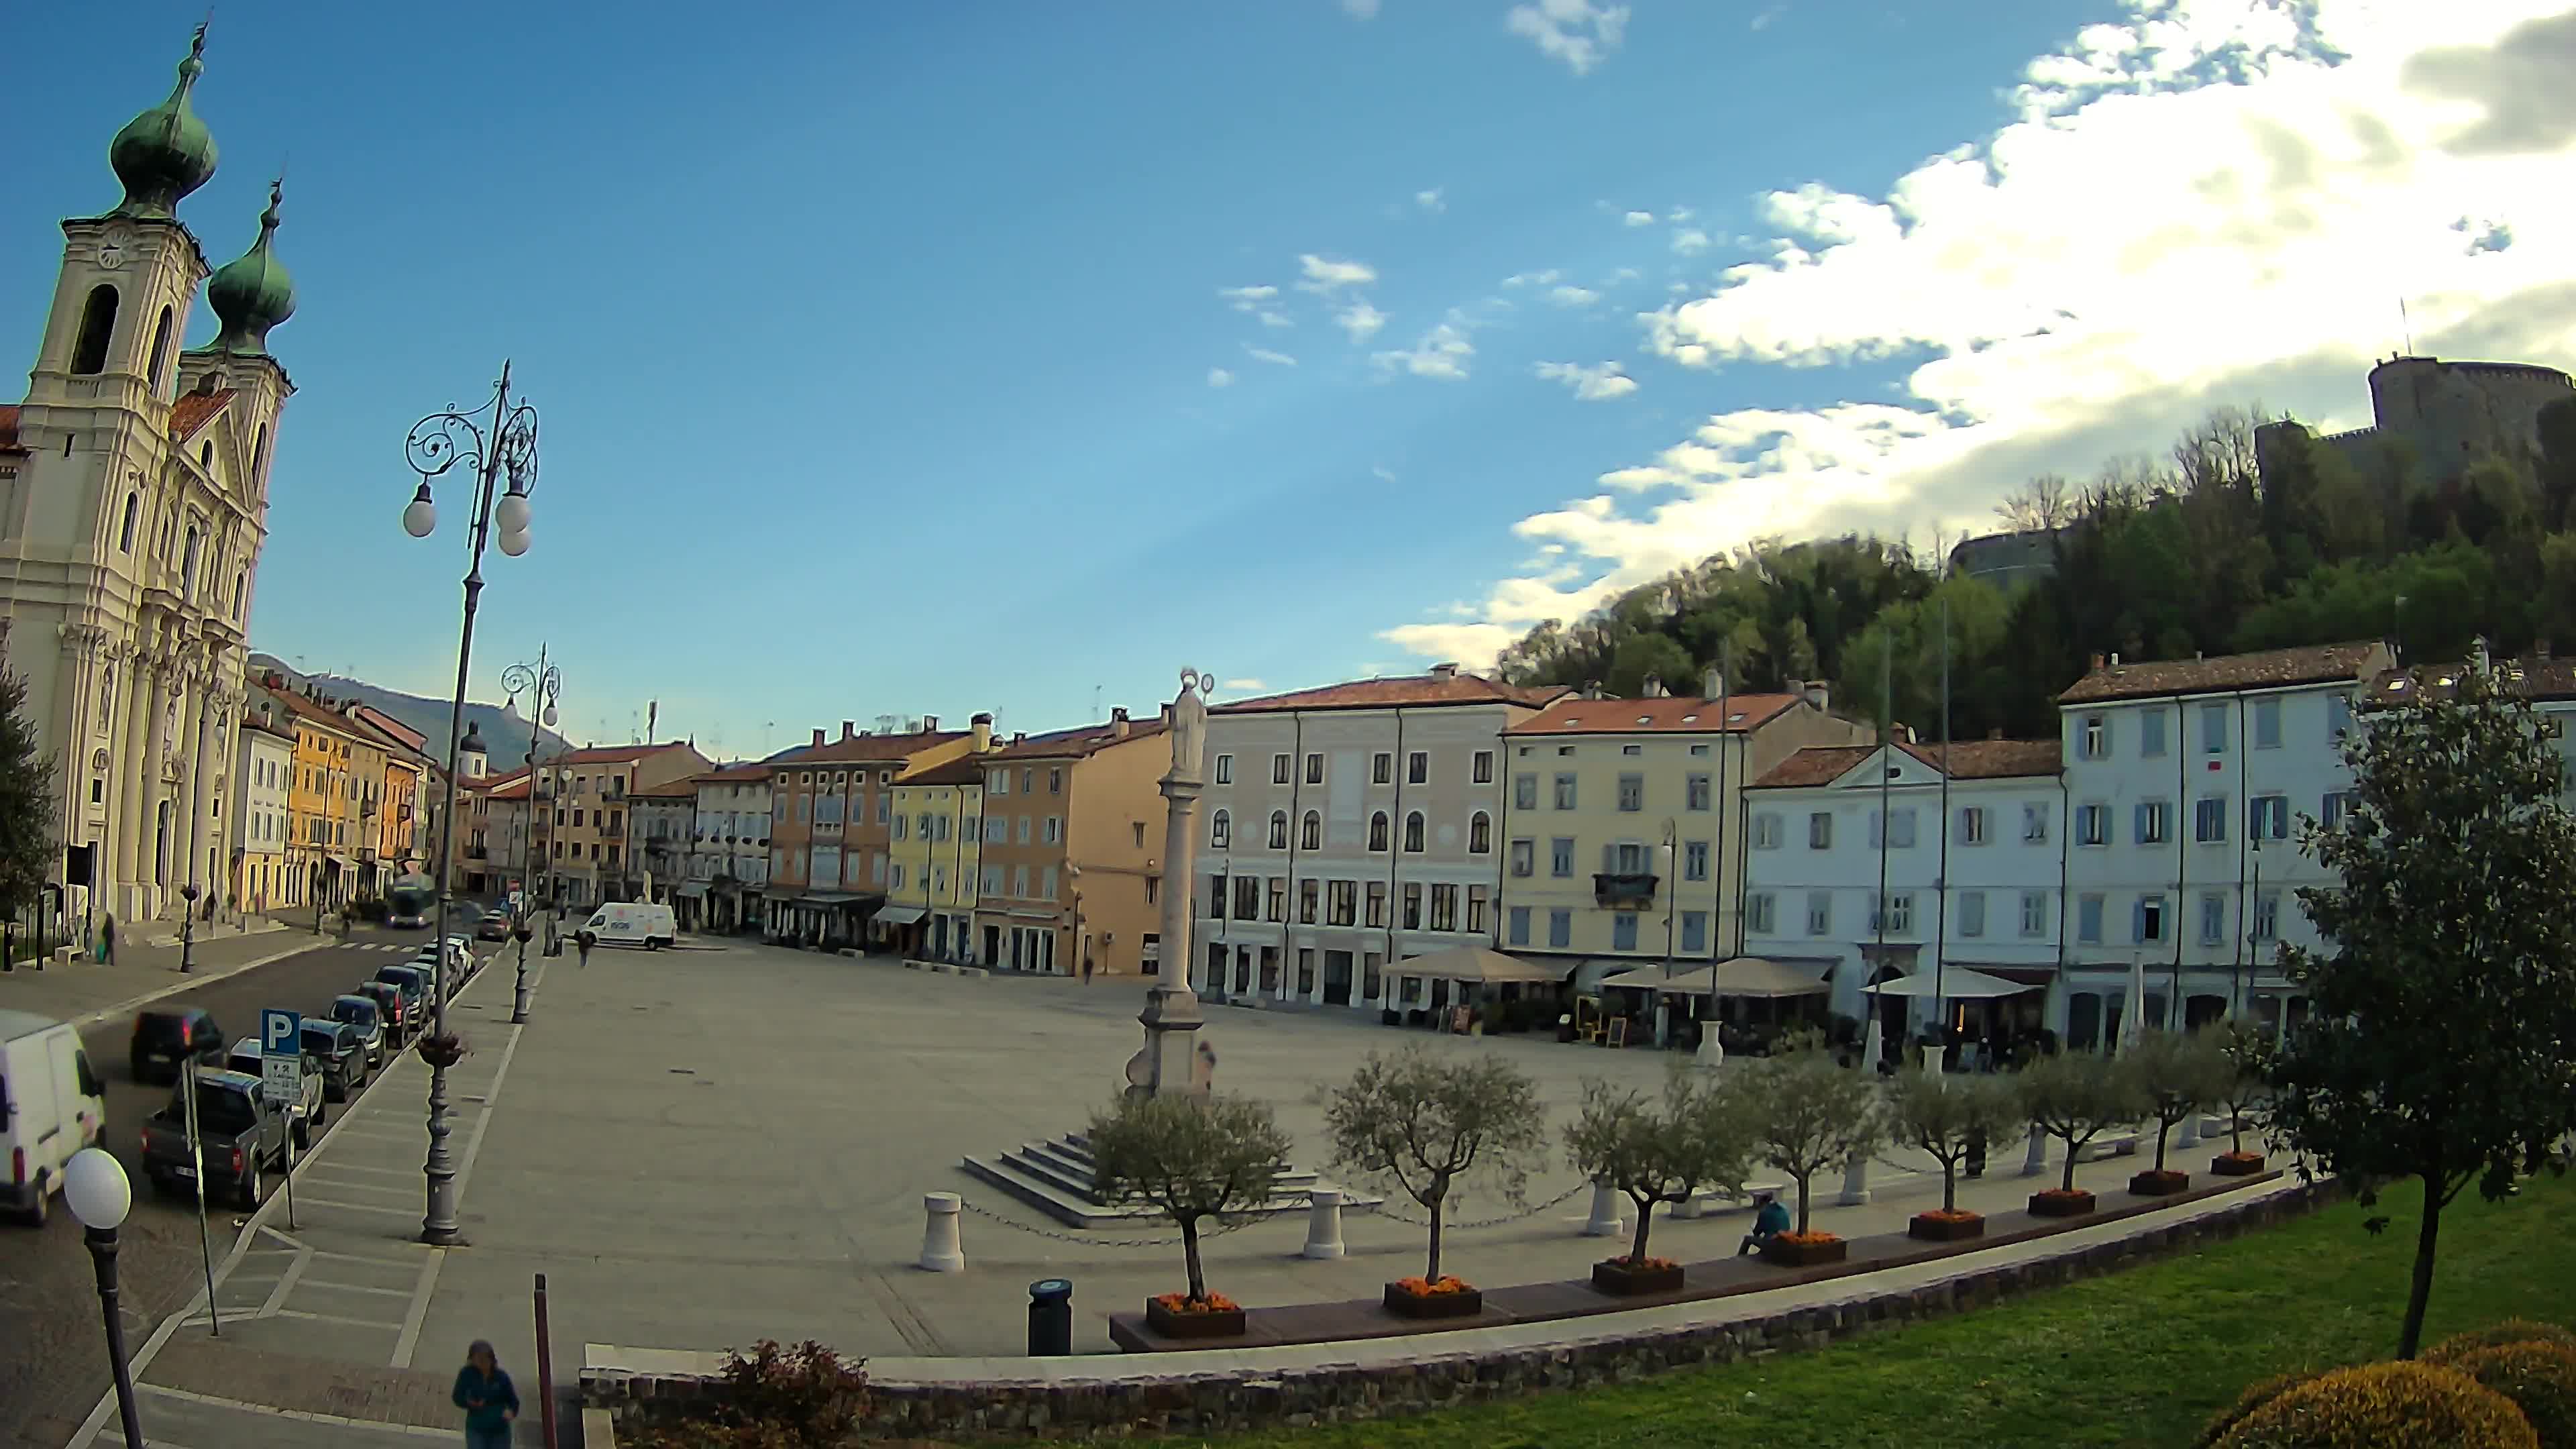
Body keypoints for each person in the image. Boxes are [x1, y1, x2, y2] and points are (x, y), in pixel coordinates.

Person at [451, 1340, 520, 1449]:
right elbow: (457, 1397)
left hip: (499, 1430)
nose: (482, 1363)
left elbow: (513, 1401)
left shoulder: (501, 1377)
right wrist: (470, 1403)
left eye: (485, 1360)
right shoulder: (466, 1374)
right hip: (476, 1428)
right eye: (478, 1360)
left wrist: (511, 1412)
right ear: (472, 1360)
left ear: (491, 1360)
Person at [1738, 1189, 1792, 1255]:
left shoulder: (1764, 1212)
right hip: (1785, 1241)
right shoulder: (1783, 1208)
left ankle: (1740, 1258)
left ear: (1762, 1202)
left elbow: (1757, 1232)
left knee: (1748, 1239)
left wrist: (1754, 1230)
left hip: (1772, 1243)